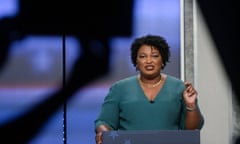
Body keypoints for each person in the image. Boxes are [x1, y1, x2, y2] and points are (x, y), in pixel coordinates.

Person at [94, 34, 204, 144]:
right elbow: (104, 122)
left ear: (163, 60)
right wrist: (106, 136)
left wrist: (191, 105)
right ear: (136, 61)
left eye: (155, 56)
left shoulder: (179, 87)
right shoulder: (119, 88)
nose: (148, 61)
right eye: (142, 56)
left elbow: (192, 129)